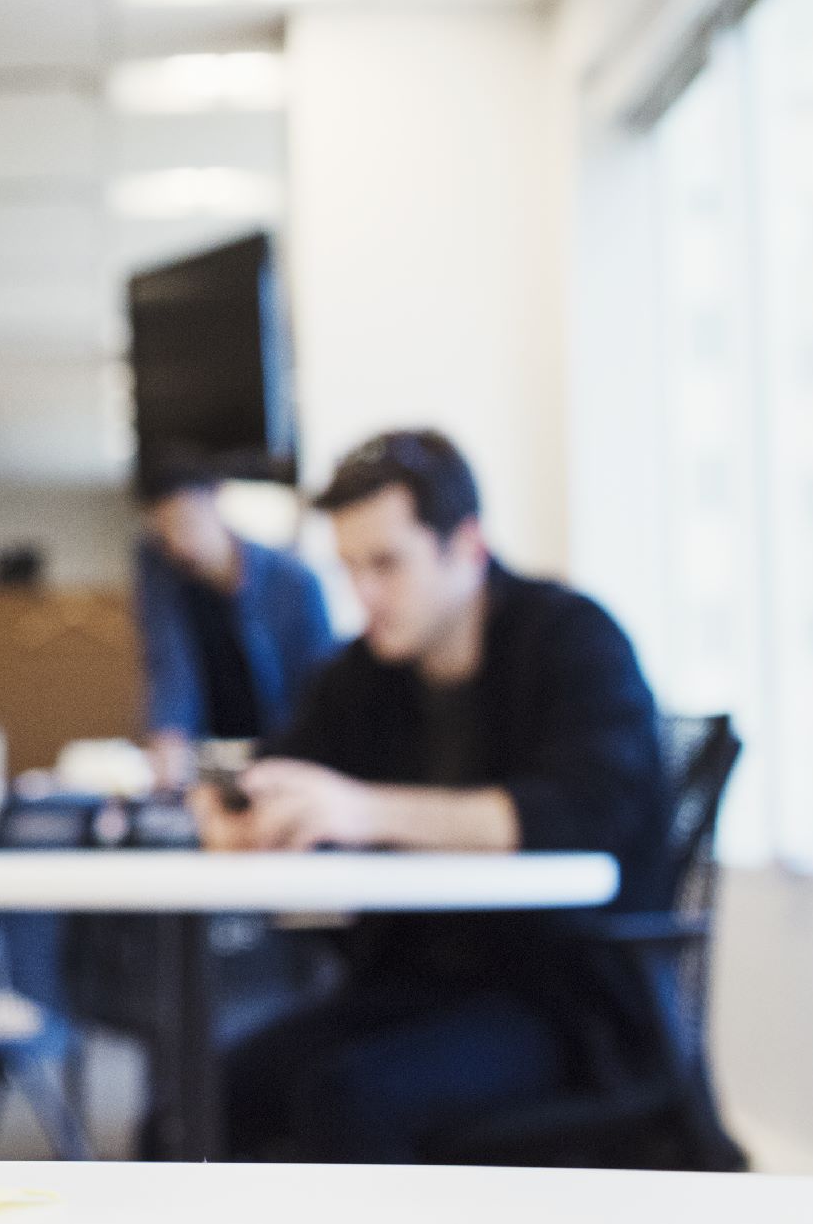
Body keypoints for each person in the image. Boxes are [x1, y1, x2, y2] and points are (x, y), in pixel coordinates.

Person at [201, 430, 671, 1163]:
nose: (364, 594)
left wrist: (362, 809)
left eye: (387, 563)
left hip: (565, 997)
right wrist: (233, 811)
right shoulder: (365, 672)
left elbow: (580, 812)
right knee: (211, 1091)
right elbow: (279, 770)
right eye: (351, 568)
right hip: (416, 984)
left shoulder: (574, 639)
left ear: (467, 546)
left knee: (347, 1094)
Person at [131, 451, 338, 785]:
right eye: (165, 531)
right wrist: (167, 736)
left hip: (283, 758)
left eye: (187, 523)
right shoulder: (163, 573)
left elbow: (320, 689)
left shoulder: (295, 582)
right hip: (207, 763)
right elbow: (167, 666)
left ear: (217, 500)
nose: (181, 544)